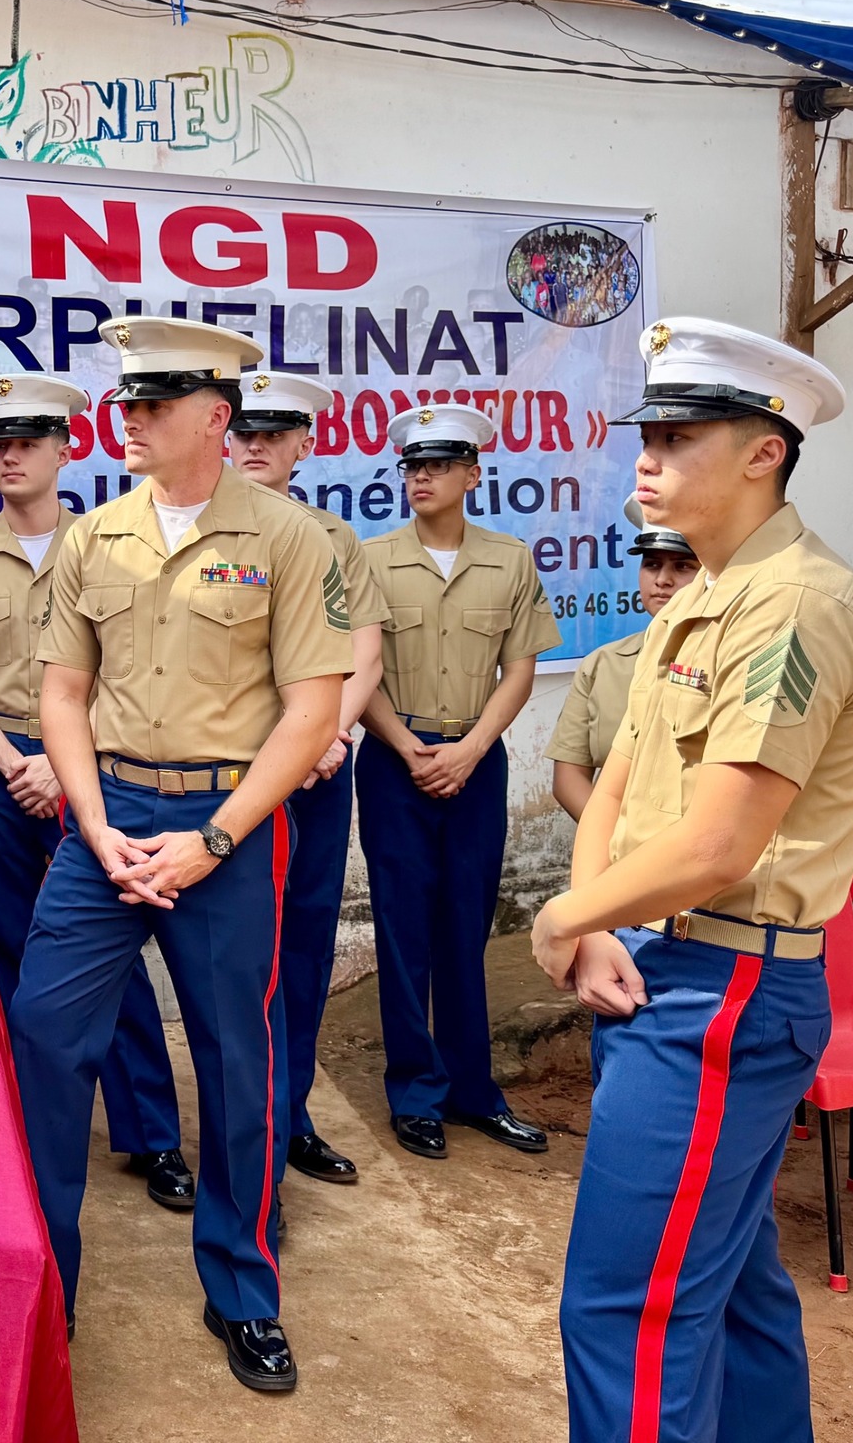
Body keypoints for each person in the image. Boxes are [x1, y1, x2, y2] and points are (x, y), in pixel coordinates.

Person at [534, 320, 853, 1443]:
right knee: (730, 1291)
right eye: (647, 431)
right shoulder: (703, 594)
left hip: (720, 992)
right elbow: (622, 782)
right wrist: (594, 921)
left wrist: (560, 914)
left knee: (626, 1313)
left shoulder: (794, 605)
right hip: (667, 968)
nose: (646, 455)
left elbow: (716, 847)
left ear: (762, 453)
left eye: (680, 435)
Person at [11, 316, 350, 1390]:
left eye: (153, 405)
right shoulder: (91, 537)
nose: (131, 420)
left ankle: (241, 1290)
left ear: (215, 417)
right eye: (128, 402)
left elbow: (310, 711)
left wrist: (210, 840)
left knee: (238, 1064)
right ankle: (38, 1285)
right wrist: (90, 817)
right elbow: (59, 693)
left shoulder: (289, 539)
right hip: (102, 822)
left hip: (228, 830)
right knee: (42, 1039)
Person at [0, 373, 195, 1213]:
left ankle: (153, 1136)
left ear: (68, 450)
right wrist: (13, 764)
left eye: (30, 442)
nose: (12, 457)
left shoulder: (111, 548)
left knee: (112, 956)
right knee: (10, 951)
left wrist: (63, 762)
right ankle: (24, 1133)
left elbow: (135, 669)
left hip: (95, 770)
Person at [358, 404, 561, 1162]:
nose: (421, 478)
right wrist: (412, 748)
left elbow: (521, 670)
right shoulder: (371, 558)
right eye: (412, 466)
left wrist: (471, 749)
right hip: (394, 762)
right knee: (404, 930)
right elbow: (360, 672)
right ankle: (415, 1093)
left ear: (473, 474)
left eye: (438, 466)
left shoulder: (508, 560)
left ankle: (474, 1092)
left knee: (466, 929)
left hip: (476, 763)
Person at [226, 371, 388, 1186]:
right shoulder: (207, 530)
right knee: (235, 956)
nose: (256, 446)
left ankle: (288, 1116)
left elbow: (364, 650)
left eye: (274, 433)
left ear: (305, 444)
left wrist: (330, 730)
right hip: (230, 773)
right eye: (246, 431)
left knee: (305, 944)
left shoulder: (333, 538)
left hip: (318, 774)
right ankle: (238, 1132)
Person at [547, 495, 701, 821]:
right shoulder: (603, 664)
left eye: (683, 566)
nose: (662, 580)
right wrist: (613, 846)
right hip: (612, 851)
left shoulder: (732, 657)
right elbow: (568, 778)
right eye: (652, 564)